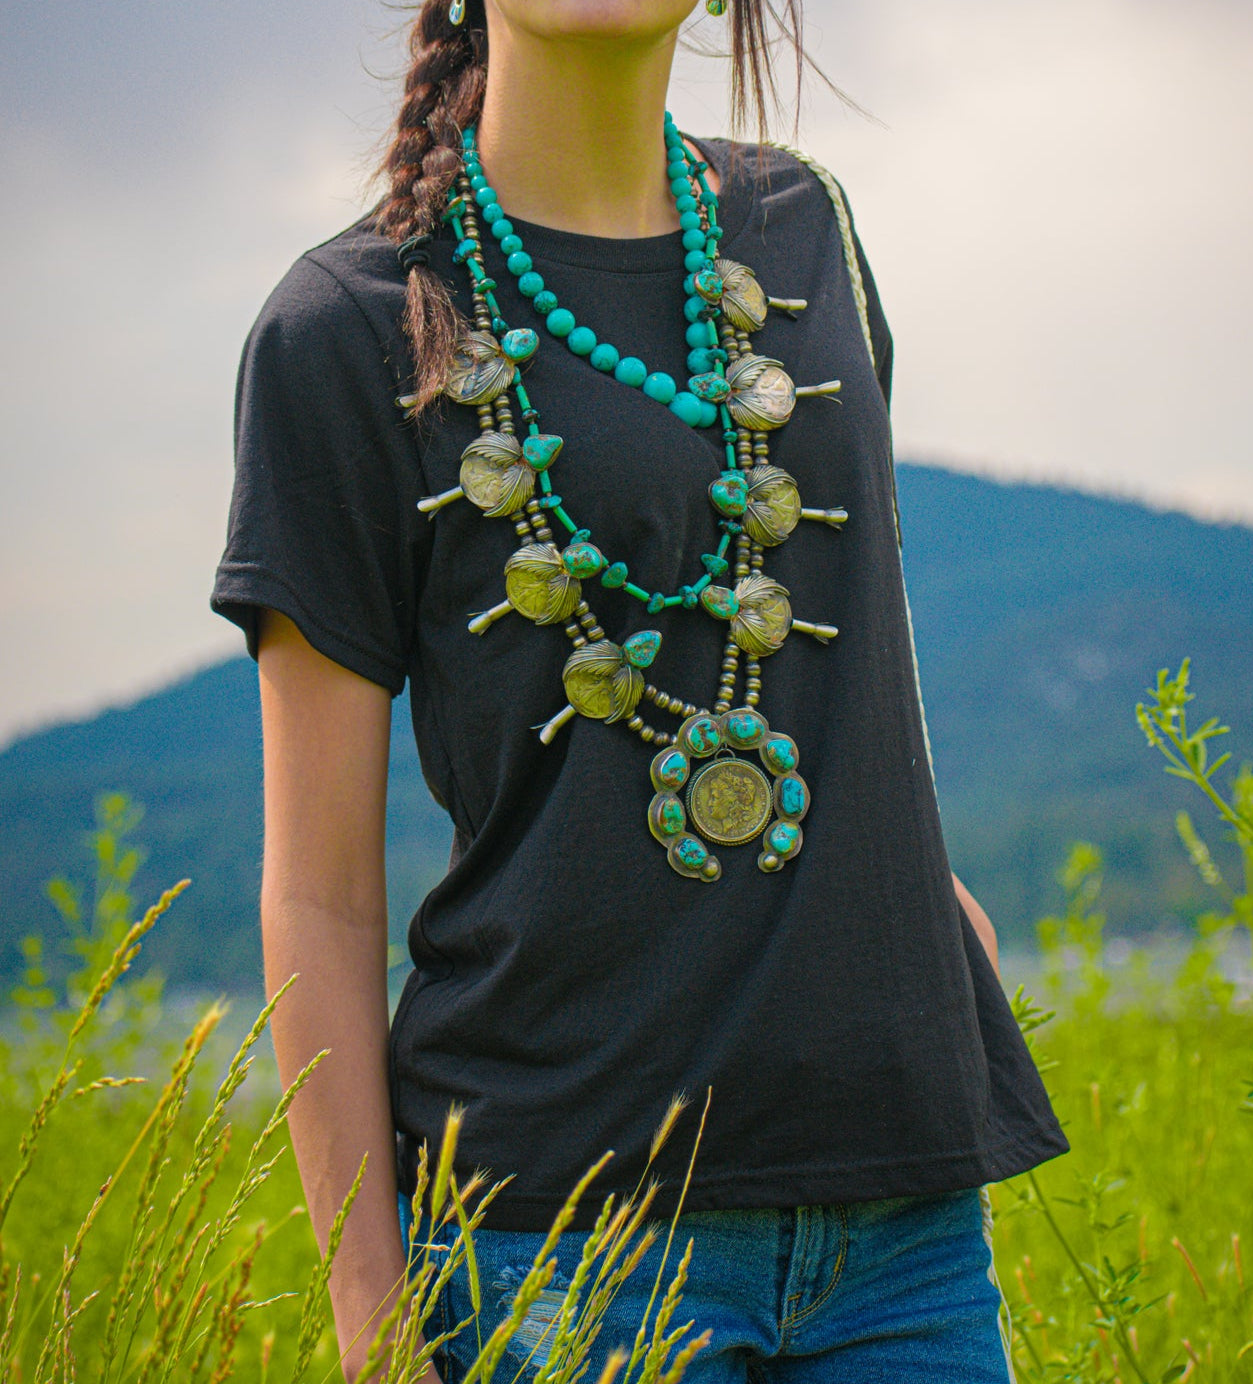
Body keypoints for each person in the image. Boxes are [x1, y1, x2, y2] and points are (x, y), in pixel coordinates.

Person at [211, 1, 1069, 1379]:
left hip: (904, 1227)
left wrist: (916, 897)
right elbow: (319, 893)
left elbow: (839, 630)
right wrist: (375, 1330)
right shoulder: (345, 327)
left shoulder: (808, 228)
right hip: (563, 1247)